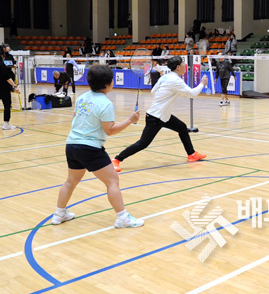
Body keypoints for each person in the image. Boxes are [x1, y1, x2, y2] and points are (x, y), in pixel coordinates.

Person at [51, 64, 143, 228]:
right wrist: (130, 120)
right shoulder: (105, 104)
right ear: (108, 83)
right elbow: (110, 130)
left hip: (72, 145)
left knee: (71, 181)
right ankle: (122, 218)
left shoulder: (82, 98)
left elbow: (75, 119)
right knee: (112, 181)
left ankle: (59, 214)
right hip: (90, 148)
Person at [111, 56, 209, 172]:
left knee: (182, 127)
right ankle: (116, 159)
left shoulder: (165, 77)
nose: (185, 66)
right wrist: (202, 83)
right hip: (156, 117)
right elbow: (192, 94)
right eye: (183, 64)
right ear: (178, 67)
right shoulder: (175, 80)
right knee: (143, 143)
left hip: (164, 116)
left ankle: (191, 154)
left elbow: (153, 92)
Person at [0, 52, 19, 130]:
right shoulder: (2, 66)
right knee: (7, 106)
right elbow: (7, 78)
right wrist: (15, 86)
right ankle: (6, 124)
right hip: (4, 89)